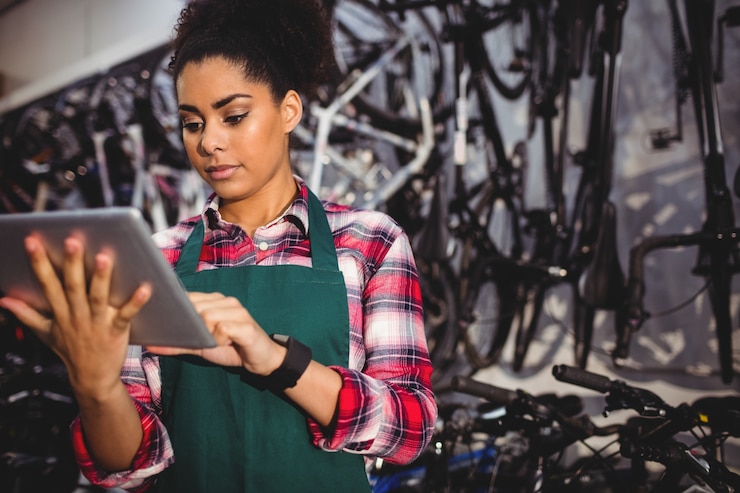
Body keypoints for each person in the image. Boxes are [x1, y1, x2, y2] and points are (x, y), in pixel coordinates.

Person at [0, 0, 437, 491]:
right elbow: (126, 471)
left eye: (233, 116)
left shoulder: (370, 242)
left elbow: (411, 428)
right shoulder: (156, 257)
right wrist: (95, 387)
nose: (209, 142)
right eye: (192, 122)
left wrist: (276, 361)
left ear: (288, 109)